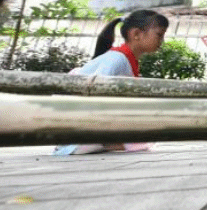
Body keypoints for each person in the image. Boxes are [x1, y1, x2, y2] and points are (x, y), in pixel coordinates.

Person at [54, 9, 169, 155]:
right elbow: (94, 92)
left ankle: (100, 142)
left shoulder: (126, 59)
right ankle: (80, 143)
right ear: (136, 34)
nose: (161, 41)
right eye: (159, 35)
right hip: (78, 119)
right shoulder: (117, 59)